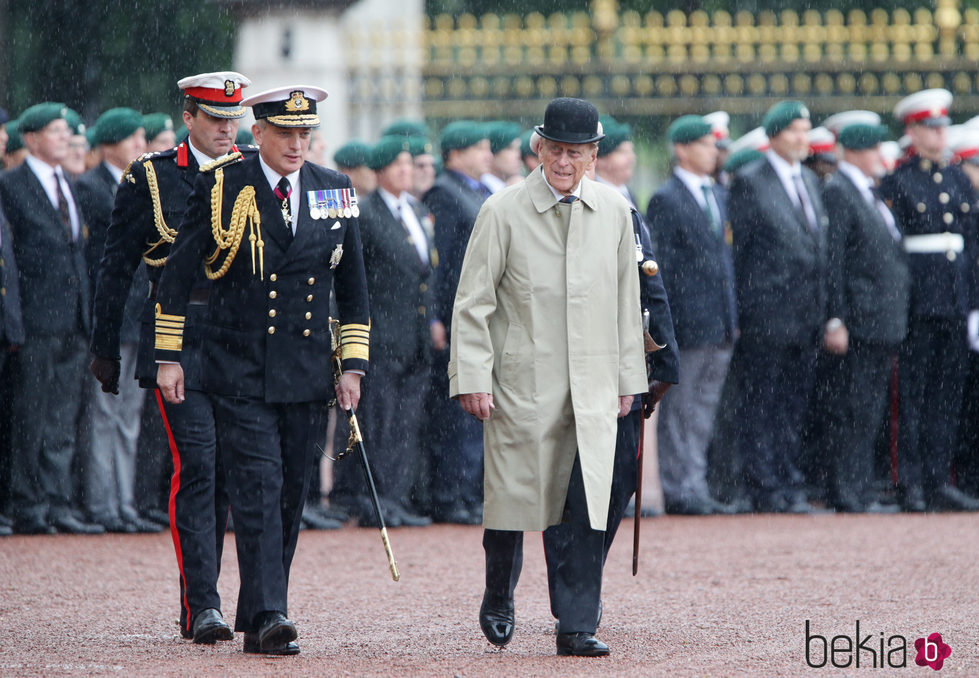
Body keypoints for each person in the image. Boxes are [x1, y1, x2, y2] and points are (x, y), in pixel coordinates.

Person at [155, 84, 370, 656]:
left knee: (289, 496)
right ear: (259, 134)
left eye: (306, 134)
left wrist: (353, 365)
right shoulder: (224, 184)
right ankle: (272, 613)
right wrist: (169, 355)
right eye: (285, 133)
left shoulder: (334, 190)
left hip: (303, 372)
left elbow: (352, 289)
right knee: (256, 486)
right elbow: (178, 274)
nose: (297, 144)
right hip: (240, 367)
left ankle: (256, 609)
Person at [450, 97, 647, 657]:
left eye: (577, 152)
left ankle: (577, 622)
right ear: (538, 148)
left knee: (589, 505)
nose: (565, 161)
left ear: (593, 155)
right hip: (520, 382)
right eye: (556, 150)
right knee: (513, 501)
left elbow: (625, 302)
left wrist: (629, 378)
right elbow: (473, 303)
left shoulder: (614, 210)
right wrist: (472, 376)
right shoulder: (501, 210)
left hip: (592, 384)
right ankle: (498, 592)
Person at [89, 71, 253, 642]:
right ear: (189, 118)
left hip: (239, 340)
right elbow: (117, 265)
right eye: (215, 118)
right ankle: (201, 604)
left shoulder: (252, 171)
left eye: (233, 118)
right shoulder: (151, 176)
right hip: (175, 336)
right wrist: (105, 348)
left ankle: (249, 601)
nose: (226, 129)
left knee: (235, 471)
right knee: (199, 466)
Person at [0, 102, 102, 535]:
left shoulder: (70, 184)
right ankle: (28, 503)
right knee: (30, 417)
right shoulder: (12, 185)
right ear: (33, 137)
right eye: (57, 131)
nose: (66, 137)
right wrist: (16, 322)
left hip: (73, 322)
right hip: (36, 322)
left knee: (62, 419)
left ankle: (58, 501)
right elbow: (13, 260)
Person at [879, 88, 979, 512]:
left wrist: (972, 302)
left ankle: (939, 479)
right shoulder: (898, 181)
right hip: (919, 301)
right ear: (913, 131)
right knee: (915, 396)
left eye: (942, 128)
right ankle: (912, 482)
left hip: (955, 300)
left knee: (947, 395)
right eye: (930, 128)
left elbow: (971, 243)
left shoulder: (958, 178)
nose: (939, 136)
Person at [332, 135, 438, 526]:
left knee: (405, 424)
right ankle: (372, 500)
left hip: (414, 336)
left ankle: (395, 497)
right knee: (379, 422)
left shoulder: (417, 210)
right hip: (380, 335)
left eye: (409, 164)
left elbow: (426, 274)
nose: (406, 171)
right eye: (397, 165)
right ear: (379, 171)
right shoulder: (365, 212)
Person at [728, 100, 828, 513]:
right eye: (793, 130)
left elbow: (819, 248)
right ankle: (764, 485)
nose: (802, 138)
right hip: (767, 315)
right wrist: (750, 308)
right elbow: (743, 255)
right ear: (773, 137)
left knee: (793, 404)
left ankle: (789, 480)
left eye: (806, 129)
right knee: (762, 403)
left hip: (806, 314)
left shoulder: (809, 179)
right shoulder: (751, 181)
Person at [647, 115, 737, 515]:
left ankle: (694, 482)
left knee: (703, 410)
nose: (713, 152)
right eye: (704, 144)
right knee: (681, 411)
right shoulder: (667, 198)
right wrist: (670, 324)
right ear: (682, 149)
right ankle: (678, 487)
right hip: (688, 322)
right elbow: (662, 267)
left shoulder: (717, 194)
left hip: (719, 320)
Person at [75, 107, 158, 533]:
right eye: (134, 139)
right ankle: (102, 502)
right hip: (111, 315)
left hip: (137, 315)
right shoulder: (91, 187)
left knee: (128, 416)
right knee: (105, 414)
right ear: (110, 142)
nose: (141, 147)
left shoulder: (139, 184)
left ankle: (123, 501)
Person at [819, 121, 909, 513]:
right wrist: (836, 318)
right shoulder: (840, 190)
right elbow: (835, 260)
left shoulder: (866, 191)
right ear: (855, 151)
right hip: (859, 319)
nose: (881, 157)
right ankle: (846, 490)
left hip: (879, 319)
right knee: (851, 409)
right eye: (874, 149)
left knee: (868, 409)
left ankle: (860, 487)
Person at [422, 120, 492, 524]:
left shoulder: (475, 190)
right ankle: (449, 494)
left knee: (475, 415)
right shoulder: (445, 194)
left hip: (476, 314)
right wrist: (436, 315)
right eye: (478, 147)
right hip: (455, 315)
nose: (486, 154)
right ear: (456, 154)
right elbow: (439, 263)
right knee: (454, 415)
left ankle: (467, 491)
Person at [480, 121, 523, 193]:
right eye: (510, 148)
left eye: (518, 148)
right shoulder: (481, 190)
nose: (518, 156)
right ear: (491, 154)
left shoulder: (516, 183)